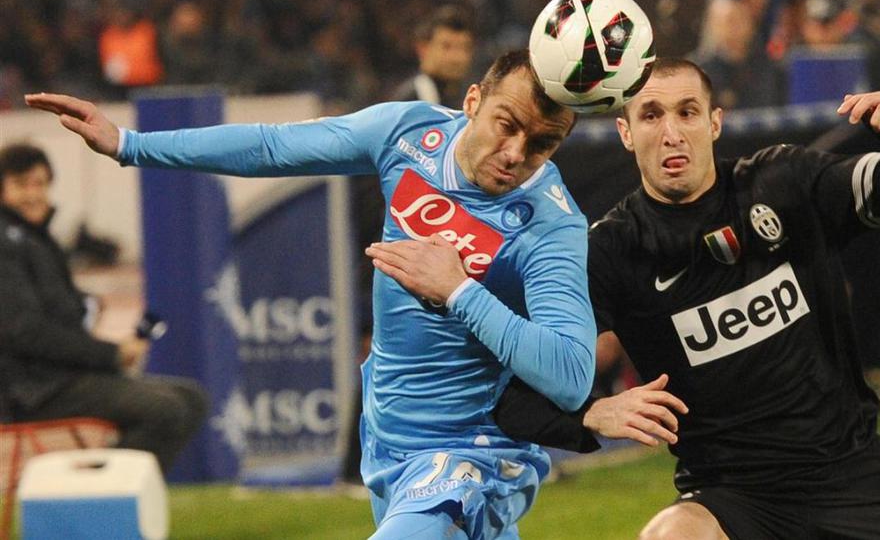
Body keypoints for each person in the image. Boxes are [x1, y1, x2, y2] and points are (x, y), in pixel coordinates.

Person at [25, 49, 615, 539]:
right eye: (507, 125)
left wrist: (460, 290)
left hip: (474, 451)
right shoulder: (411, 133)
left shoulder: (550, 224)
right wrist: (130, 144)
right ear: (473, 102)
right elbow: (273, 147)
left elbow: (569, 373)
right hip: (391, 437)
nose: (515, 154)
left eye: (542, 144)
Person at [493, 58, 880, 539]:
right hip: (733, 497)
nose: (671, 133)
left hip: (856, 476)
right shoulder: (611, 252)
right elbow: (509, 393)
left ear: (714, 122)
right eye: (651, 115)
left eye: (687, 112)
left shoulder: (784, 182)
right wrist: (589, 415)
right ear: (626, 133)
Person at [0, 143, 207, 474]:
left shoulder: (37, 240)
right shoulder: (8, 242)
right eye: (22, 184)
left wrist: (95, 322)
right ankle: (97, 493)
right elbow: (25, 332)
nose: (34, 194)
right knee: (166, 409)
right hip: (31, 391)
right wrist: (111, 354)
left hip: (60, 379)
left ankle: (103, 488)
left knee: (191, 398)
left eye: (40, 184)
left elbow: (58, 322)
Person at [390, 4, 475, 109]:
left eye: (464, 47)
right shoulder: (410, 101)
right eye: (446, 47)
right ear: (423, 49)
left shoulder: (470, 98)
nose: (456, 58)